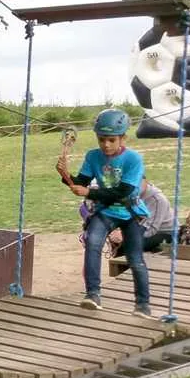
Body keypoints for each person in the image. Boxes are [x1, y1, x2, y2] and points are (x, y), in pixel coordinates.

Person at [57, 108, 153, 316]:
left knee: (135, 258)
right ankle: (92, 294)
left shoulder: (133, 160)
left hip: (130, 212)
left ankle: (143, 305)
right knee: (92, 243)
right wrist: (66, 175)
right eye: (102, 140)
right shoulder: (93, 156)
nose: (106, 145)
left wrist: (89, 193)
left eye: (111, 140)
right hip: (106, 211)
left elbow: (122, 191)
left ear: (122, 138)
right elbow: (81, 182)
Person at [106, 180, 176, 253]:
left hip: (164, 232)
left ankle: (134, 263)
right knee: (116, 240)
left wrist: (126, 235)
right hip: (142, 227)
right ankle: (120, 263)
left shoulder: (158, 199)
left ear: (146, 182)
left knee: (130, 244)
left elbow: (152, 229)